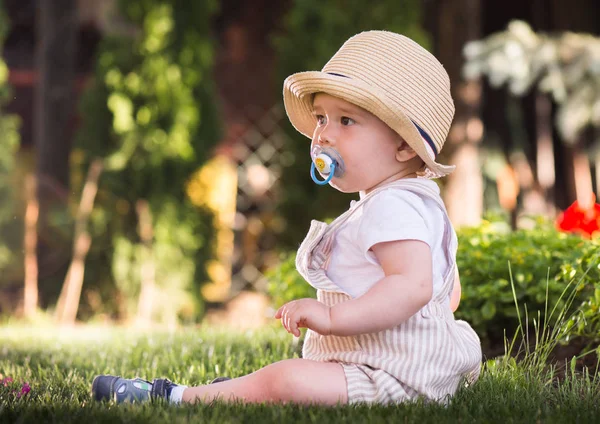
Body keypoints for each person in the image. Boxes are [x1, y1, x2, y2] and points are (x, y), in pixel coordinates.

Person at [91, 30, 482, 406]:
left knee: (288, 380)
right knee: (292, 379)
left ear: (402, 144)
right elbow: (447, 295)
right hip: (400, 365)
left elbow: (412, 287)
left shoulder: (391, 206)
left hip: (395, 376)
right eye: (321, 118)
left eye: (346, 121)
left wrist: (332, 317)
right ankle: (239, 394)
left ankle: (174, 396)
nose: (323, 135)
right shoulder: (413, 201)